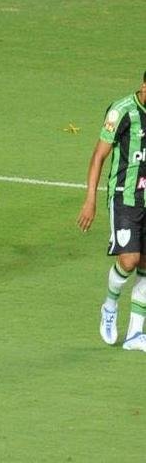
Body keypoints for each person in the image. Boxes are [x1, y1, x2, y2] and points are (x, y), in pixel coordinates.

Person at [77, 71, 146, 351]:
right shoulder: (122, 111)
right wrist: (90, 199)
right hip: (124, 199)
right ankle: (109, 304)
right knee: (129, 260)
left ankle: (134, 334)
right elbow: (98, 156)